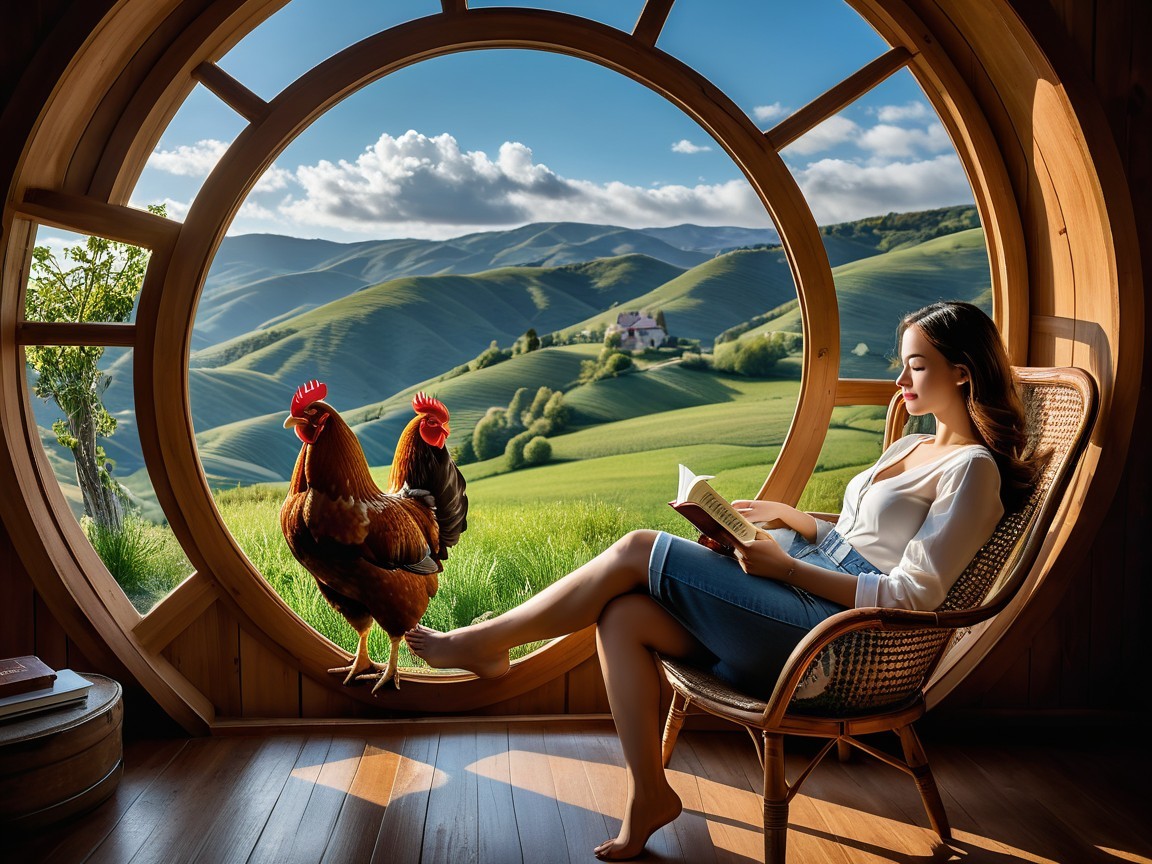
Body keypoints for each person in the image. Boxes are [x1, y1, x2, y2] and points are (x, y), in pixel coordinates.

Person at [406, 300, 1042, 860]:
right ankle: (648, 794)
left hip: (835, 648)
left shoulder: (973, 471)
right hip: (801, 601)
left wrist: (786, 566)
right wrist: (793, 523)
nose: (900, 380)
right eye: (902, 364)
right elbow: (859, 536)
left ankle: (487, 641)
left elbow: (912, 595)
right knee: (622, 616)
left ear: (963, 370)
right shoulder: (913, 447)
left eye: (918, 366)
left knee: (638, 549)